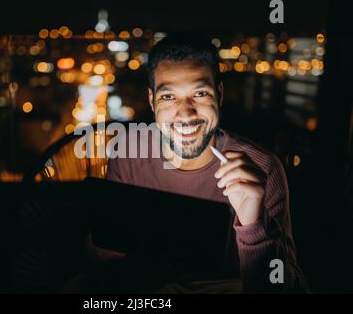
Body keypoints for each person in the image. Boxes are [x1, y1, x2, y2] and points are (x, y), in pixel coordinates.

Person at [66, 34, 308, 293]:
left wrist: (254, 225)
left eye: (200, 93)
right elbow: (101, 261)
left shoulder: (261, 167)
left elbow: (288, 287)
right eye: (168, 97)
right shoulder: (128, 155)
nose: (185, 113)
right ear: (151, 101)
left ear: (220, 94)